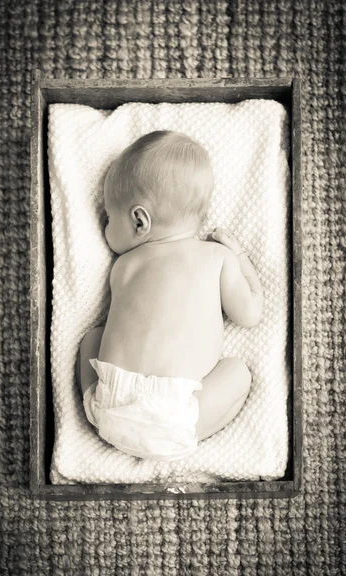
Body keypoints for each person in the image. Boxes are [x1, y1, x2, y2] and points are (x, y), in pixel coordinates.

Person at [75, 130, 263, 461]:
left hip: (109, 407)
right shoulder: (217, 257)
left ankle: (115, 426)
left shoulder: (124, 266)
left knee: (92, 339)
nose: (104, 227)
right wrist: (241, 258)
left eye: (108, 217)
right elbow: (249, 315)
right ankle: (180, 440)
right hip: (175, 418)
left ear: (139, 221)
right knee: (239, 373)